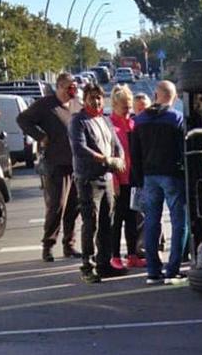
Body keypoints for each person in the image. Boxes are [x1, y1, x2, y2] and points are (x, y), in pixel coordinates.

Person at [16, 73, 81, 262]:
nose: (73, 90)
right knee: (57, 205)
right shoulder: (46, 105)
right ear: (60, 87)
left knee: (73, 207)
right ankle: (48, 245)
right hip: (56, 163)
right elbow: (23, 120)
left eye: (75, 86)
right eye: (69, 87)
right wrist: (41, 137)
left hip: (76, 163)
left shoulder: (76, 105)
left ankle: (69, 245)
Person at [68, 83, 128, 283]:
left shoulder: (104, 120)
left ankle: (104, 263)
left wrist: (118, 159)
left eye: (99, 97)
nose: (96, 101)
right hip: (88, 179)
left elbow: (116, 145)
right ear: (84, 99)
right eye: (92, 97)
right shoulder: (79, 121)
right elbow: (79, 149)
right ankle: (88, 266)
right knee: (90, 223)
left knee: (107, 224)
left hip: (107, 179)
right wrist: (105, 159)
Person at [130, 81, 187, 285]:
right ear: (174, 97)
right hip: (172, 174)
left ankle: (153, 270)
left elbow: (134, 153)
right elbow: (184, 151)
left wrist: (138, 179)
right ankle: (173, 269)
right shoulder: (176, 118)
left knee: (152, 221)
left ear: (156, 95)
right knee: (179, 221)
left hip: (148, 176)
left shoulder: (140, 119)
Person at [109, 85, 146, 270]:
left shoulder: (133, 124)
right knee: (117, 221)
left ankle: (132, 254)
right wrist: (114, 180)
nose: (128, 110)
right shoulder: (111, 126)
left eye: (129, 107)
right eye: (125, 107)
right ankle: (114, 255)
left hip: (133, 179)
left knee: (133, 219)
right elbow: (109, 156)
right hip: (118, 180)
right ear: (115, 105)